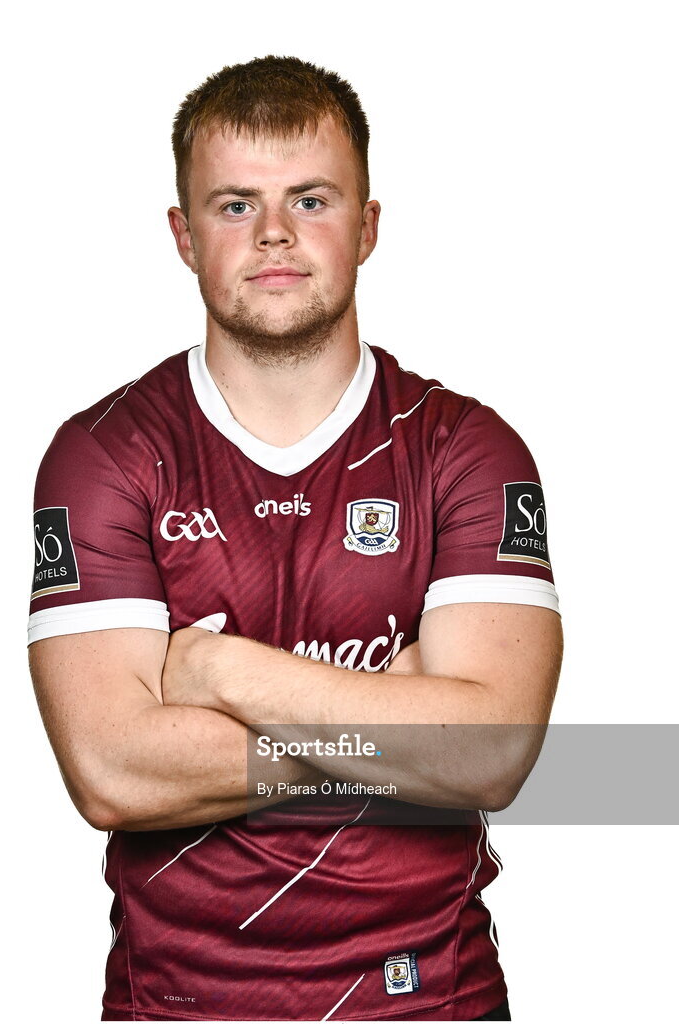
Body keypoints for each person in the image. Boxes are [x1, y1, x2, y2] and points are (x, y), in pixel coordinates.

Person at [28, 55, 562, 1022]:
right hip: (178, 1006)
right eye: (235, 205)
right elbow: (111, 771)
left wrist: (224, 675)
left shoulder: (466, 450)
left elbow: (489, 754)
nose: (274, 233)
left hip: (428, 1000)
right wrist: (394, 733)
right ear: (184, 237)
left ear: (367, 227)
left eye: (310, 198)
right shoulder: (104, 454)